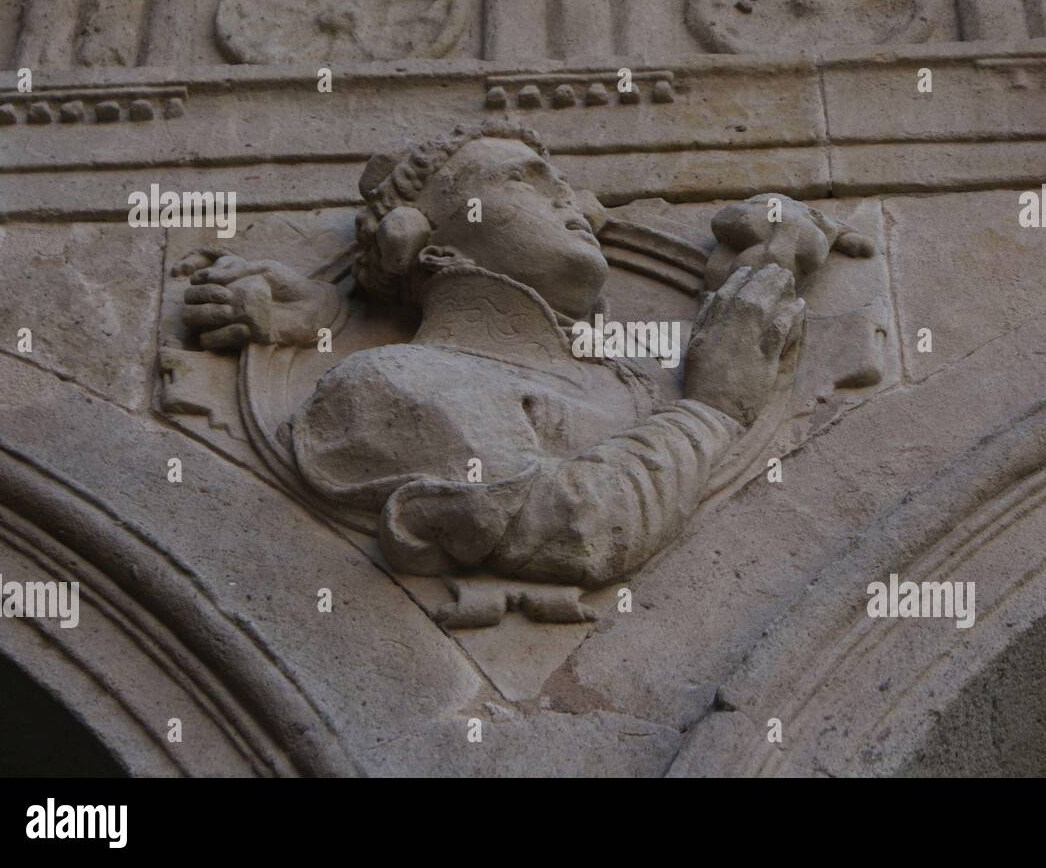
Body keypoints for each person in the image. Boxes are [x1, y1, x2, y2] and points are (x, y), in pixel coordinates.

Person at [183, 121, 806, 587]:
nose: (580, 205)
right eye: (524, 181)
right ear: (418, 234)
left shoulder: (632, 381)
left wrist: (770, 264)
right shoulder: (392, 383)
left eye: (567, 186)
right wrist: (714, 410)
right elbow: (577, 529)